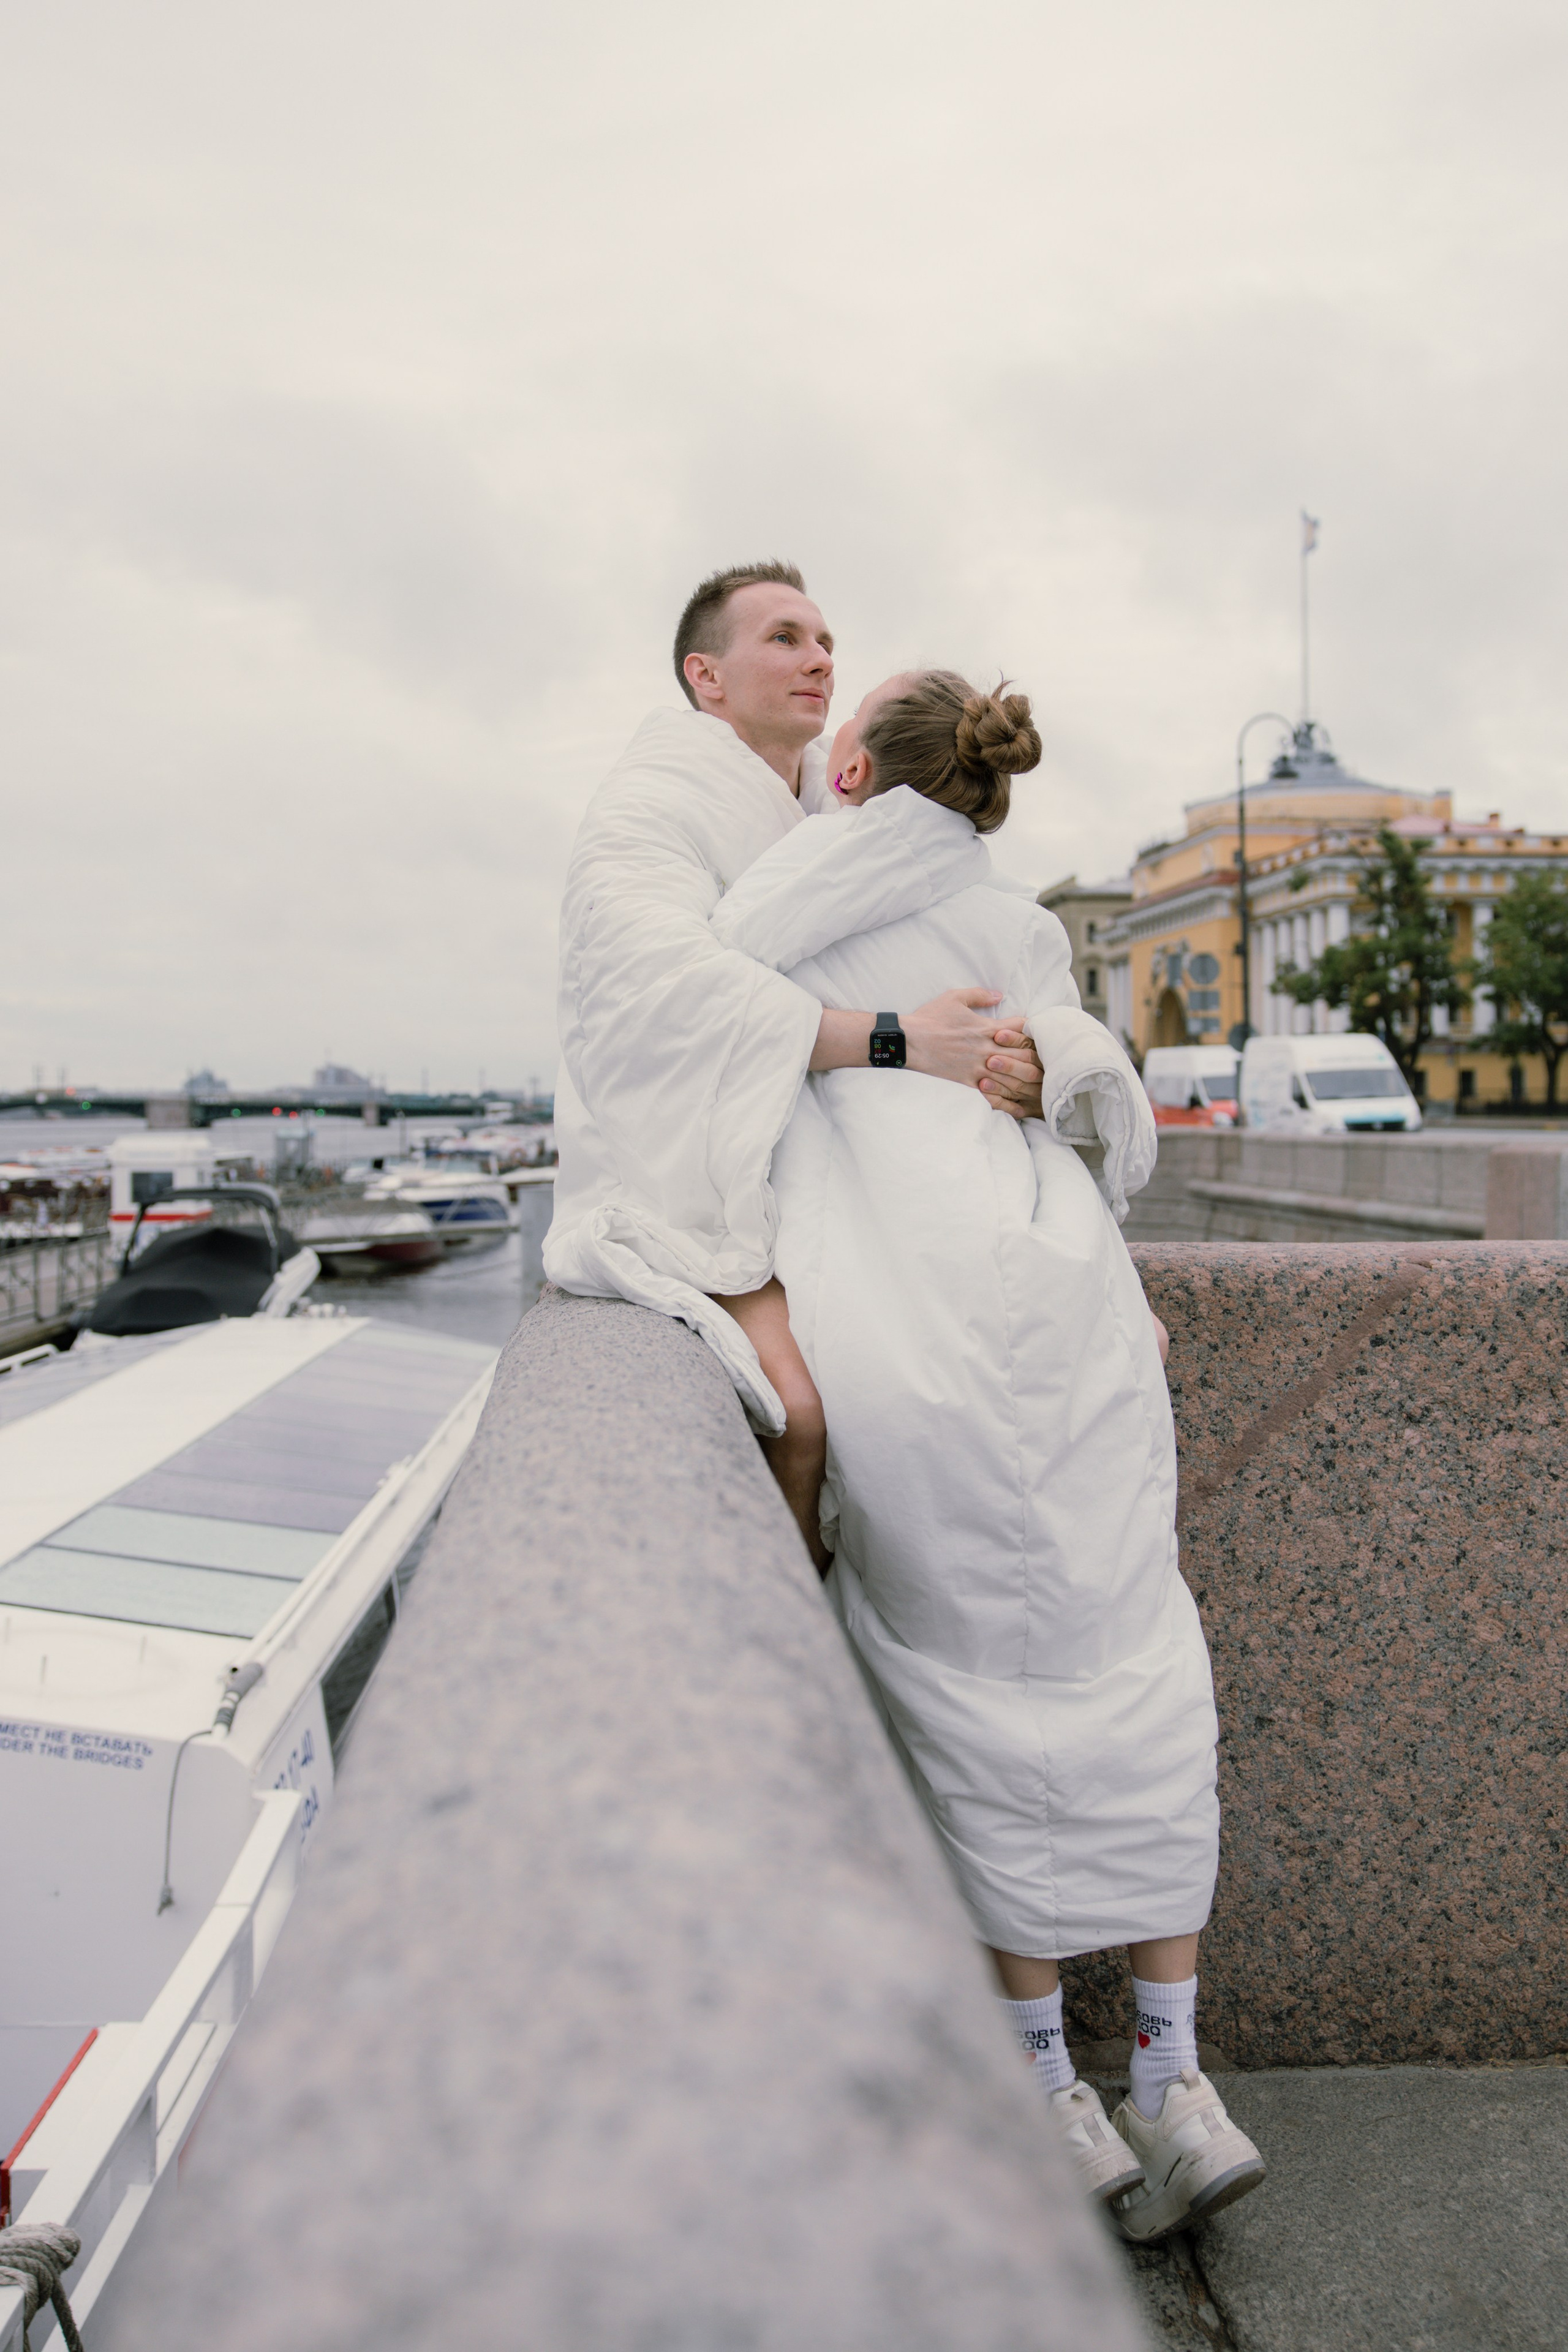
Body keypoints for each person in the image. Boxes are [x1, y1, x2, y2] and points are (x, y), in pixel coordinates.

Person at [707, 668, 1267, 2241]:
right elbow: (1084, 1097)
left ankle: (1046, 2095)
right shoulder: (1015, 923)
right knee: (1131, 1649)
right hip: (1070, 1313)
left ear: (852, 774)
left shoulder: (773, 909)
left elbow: (695, 1052)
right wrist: (1050, 1073)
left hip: (907, 1327)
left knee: (958, 1679)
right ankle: (1173, 2081)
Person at [544, 563, 1047, 1571]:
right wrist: (899, 1038)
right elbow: (660, 993)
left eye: (824, 642)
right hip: (691, 1176)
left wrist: (1028, 1061)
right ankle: (781, 1637)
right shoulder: (644, 809)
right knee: (803, 1412)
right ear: (706, 676)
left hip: (844, 1170)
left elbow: (965, 942)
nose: (818, 658)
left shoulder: (842, 802)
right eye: (783, 638)